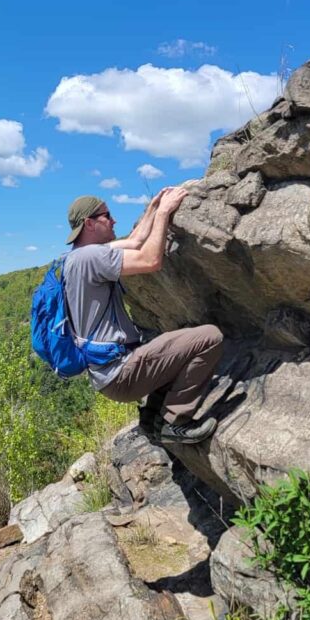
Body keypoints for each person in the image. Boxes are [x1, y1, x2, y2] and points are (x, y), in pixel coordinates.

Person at [63, 190, 224, 444]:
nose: (114, 220)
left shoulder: (74, 258)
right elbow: (150, 260)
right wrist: (163, 213)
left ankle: (151, 419)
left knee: (175, 342)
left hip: (109, 376)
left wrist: (153, 206)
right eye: (107, 216)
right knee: (209, 337)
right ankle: (175, 422)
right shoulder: (93, 257)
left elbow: (137, 241)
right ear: (90, 224)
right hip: (122, 373)